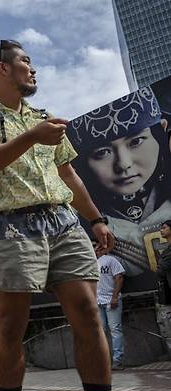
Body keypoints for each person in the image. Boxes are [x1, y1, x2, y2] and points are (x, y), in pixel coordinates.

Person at [0, 39, 126, 391]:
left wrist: (97, 219)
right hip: (10, 225)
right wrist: (31, 137)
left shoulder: (43, 118)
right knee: (12, 324)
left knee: (88, 312)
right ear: (3, 68)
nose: (33, 70)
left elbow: (68, 175)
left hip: (64, 222)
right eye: (25, 62)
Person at [68, 87, 171, 282]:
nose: (123, 164)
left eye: (136, 141)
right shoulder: (78, 223)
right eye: (102, 153)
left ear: (161, 131)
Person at [95, 245, 126, 370]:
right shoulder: (91, 263)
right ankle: (104, 362)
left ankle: (117, 361)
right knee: (101, 332)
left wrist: (114, 297)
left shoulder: (110, 260)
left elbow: (119, 277)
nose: (95, 250)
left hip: (111, 300)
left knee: (115, 330)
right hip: (97, 302)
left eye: (97, 247)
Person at [157, 220, 171, 305]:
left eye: (164, 228)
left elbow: (163, 268)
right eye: (160, 228)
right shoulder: (166, 251)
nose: (161, 230)